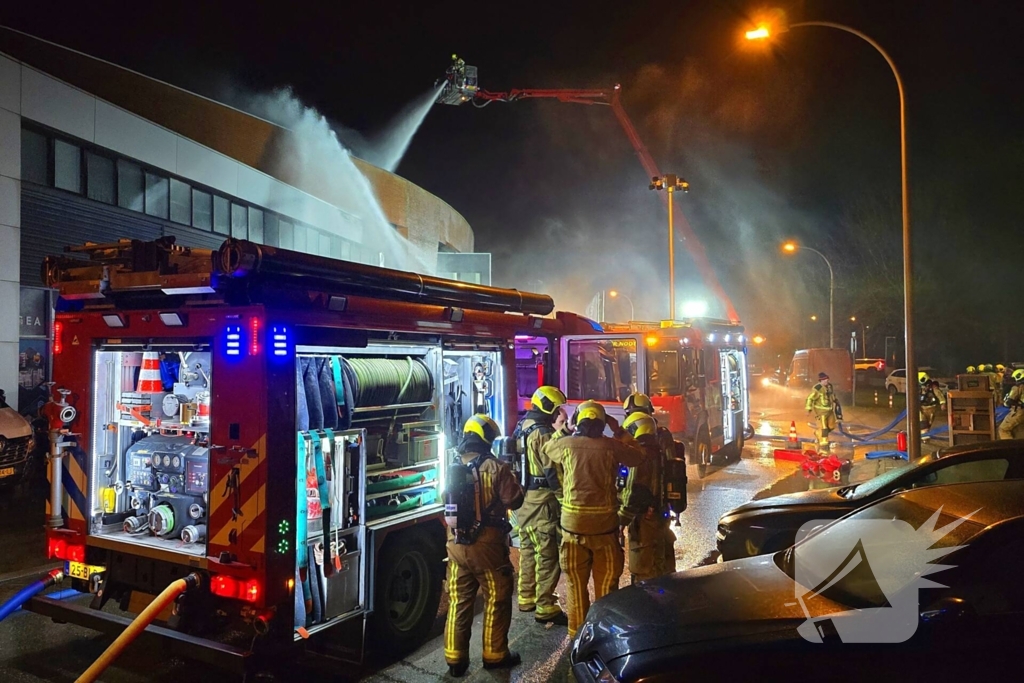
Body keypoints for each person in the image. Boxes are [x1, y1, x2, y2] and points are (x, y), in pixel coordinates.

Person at [543, 400, 647, 638]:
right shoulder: (612, 446)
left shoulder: (566, 445)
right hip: (605, 532)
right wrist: (619, 430)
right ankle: (602, 638)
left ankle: (577, 637)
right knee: (607, 588)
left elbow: (547, 449)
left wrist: (565, 428)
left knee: (576, 587)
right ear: (602, 423)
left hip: (572, 530)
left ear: (577, 421)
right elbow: (639, 456)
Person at [444, 415, 524, 677]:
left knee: (459, 602)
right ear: (487, 438)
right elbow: (515, 499)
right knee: (497, 599)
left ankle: (455, 660)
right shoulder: (496, 468)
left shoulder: (453, 464)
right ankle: (494, 655)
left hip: (456, 546)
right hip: (488, 549)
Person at [513, 386, 569, 625]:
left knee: (528, 549)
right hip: (543, 500)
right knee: (547, 553)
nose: (559, 412)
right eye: (557, 408)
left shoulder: (522, 427)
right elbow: (552, 471)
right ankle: (545, 605)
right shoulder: (543, 433)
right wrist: (564, 499)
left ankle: (526, 597)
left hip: (524, 501)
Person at [619, 412, 676, 583]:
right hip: (659, 515)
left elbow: (634, 491)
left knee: (643, 568)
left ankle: (647, 605)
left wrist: (621, 520)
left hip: (644, 519)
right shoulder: (659, 451)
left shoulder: (640, 455)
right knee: (660, 564)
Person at [805, 372, 839, 449]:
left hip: (830, 411)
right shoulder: (817, 388)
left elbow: (831, 395)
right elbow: (810, 398)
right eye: (825, 379)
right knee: (824, 427)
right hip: (821, 412)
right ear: (821, 380)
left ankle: (818, 433)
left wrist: (835, 400)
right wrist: (808, 409)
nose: (827, 380)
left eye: (827, 379)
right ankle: (824, 443)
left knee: (832, 426)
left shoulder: (829, 386)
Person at [998, 370, 1024, 440]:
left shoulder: (1018, 387)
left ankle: (1009, 448)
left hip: (1020, 412)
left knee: (1003, 429)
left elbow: (1009, 402)